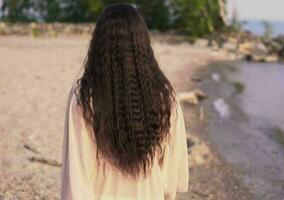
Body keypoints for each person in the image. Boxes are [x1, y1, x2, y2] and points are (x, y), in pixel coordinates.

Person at [60, 4, 189, 200]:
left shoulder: (86, 95)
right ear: (143, 44)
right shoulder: (164, 94)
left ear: (99, 44)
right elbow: (171, 176)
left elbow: (77, 173)